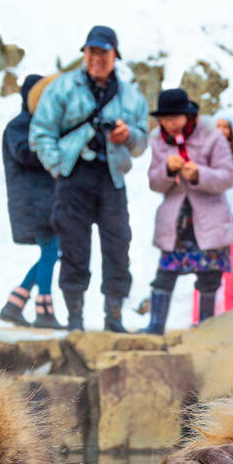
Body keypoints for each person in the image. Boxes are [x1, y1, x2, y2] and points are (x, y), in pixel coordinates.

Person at [28, 25, 148, 332]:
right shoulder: (62, 87)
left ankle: (114, 316)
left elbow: (142, 142)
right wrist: (58, 166)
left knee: (118, 245)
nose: (97, 58)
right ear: (84, 53)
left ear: (114, 56)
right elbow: (41, 132)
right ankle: (75, 318)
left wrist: (128, 135)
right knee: (73, 246)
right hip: (74, 176)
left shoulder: (131, 97)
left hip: (112, 178)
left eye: (103, 53)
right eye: (92, 52)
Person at [145, 89, 233, 335]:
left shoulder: (213, 136)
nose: (169, 124)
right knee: (165, 275)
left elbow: (227, 176)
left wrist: (199, 174)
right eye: (165, 119)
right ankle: (155, 328)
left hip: (209, 219)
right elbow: (154, 183)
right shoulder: (157, 139)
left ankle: (205, 329)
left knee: (209, 276)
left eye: (175, 118)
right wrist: (166, 169)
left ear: (188, 116)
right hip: (176, 220)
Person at [0, 74, 61, 329]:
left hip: (46, 198)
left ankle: (15, 304)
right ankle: (43, 310)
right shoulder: (19, 125)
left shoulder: (39, 124)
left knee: (51, 251)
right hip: (32, 200)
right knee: (50, 250)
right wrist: (52, 147)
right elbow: (25, 154)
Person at [190, 108, 233, 325]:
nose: (221, 130)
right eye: (218, 125)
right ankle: (200, 318)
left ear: (231, 130)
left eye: (225, 126)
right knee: (205, 267)